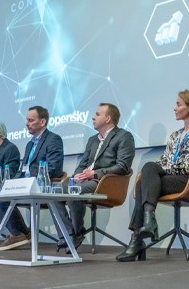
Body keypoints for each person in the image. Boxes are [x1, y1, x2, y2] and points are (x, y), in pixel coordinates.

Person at [116, 89, 189, 262]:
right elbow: (163, 160)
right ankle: (147, 222)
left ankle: (137, 239)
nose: (174, 108)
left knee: (144, 181)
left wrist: (165, 168)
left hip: (188, 180)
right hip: (171, 178)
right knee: (149, 169)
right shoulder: (175, 135)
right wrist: (163, 168)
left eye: (178, 104)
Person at [53, 103, 135, 251]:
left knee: (74, 191)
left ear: (108, 118)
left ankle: (75, 234)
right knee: (53, 192)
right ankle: (68, 234)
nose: (93, 117)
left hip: (103, 182)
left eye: (97, 114)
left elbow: (123, 166)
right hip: (84, 181)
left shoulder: (124, 136)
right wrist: (76, 176)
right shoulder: (92, 140)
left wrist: (95, 173)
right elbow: (82, 163)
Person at [0, 106, 64, 251]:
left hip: (40, 184)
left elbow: (54, 168)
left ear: (42, 122)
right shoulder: (30, 144)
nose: (26, 123)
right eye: (27, 120)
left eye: (31, 120)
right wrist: (12, 181)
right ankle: (21, 233)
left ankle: (20, 234)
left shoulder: (53, 139)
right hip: (25, 183)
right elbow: (24, 168)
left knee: (2, 198)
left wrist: (29, 178)